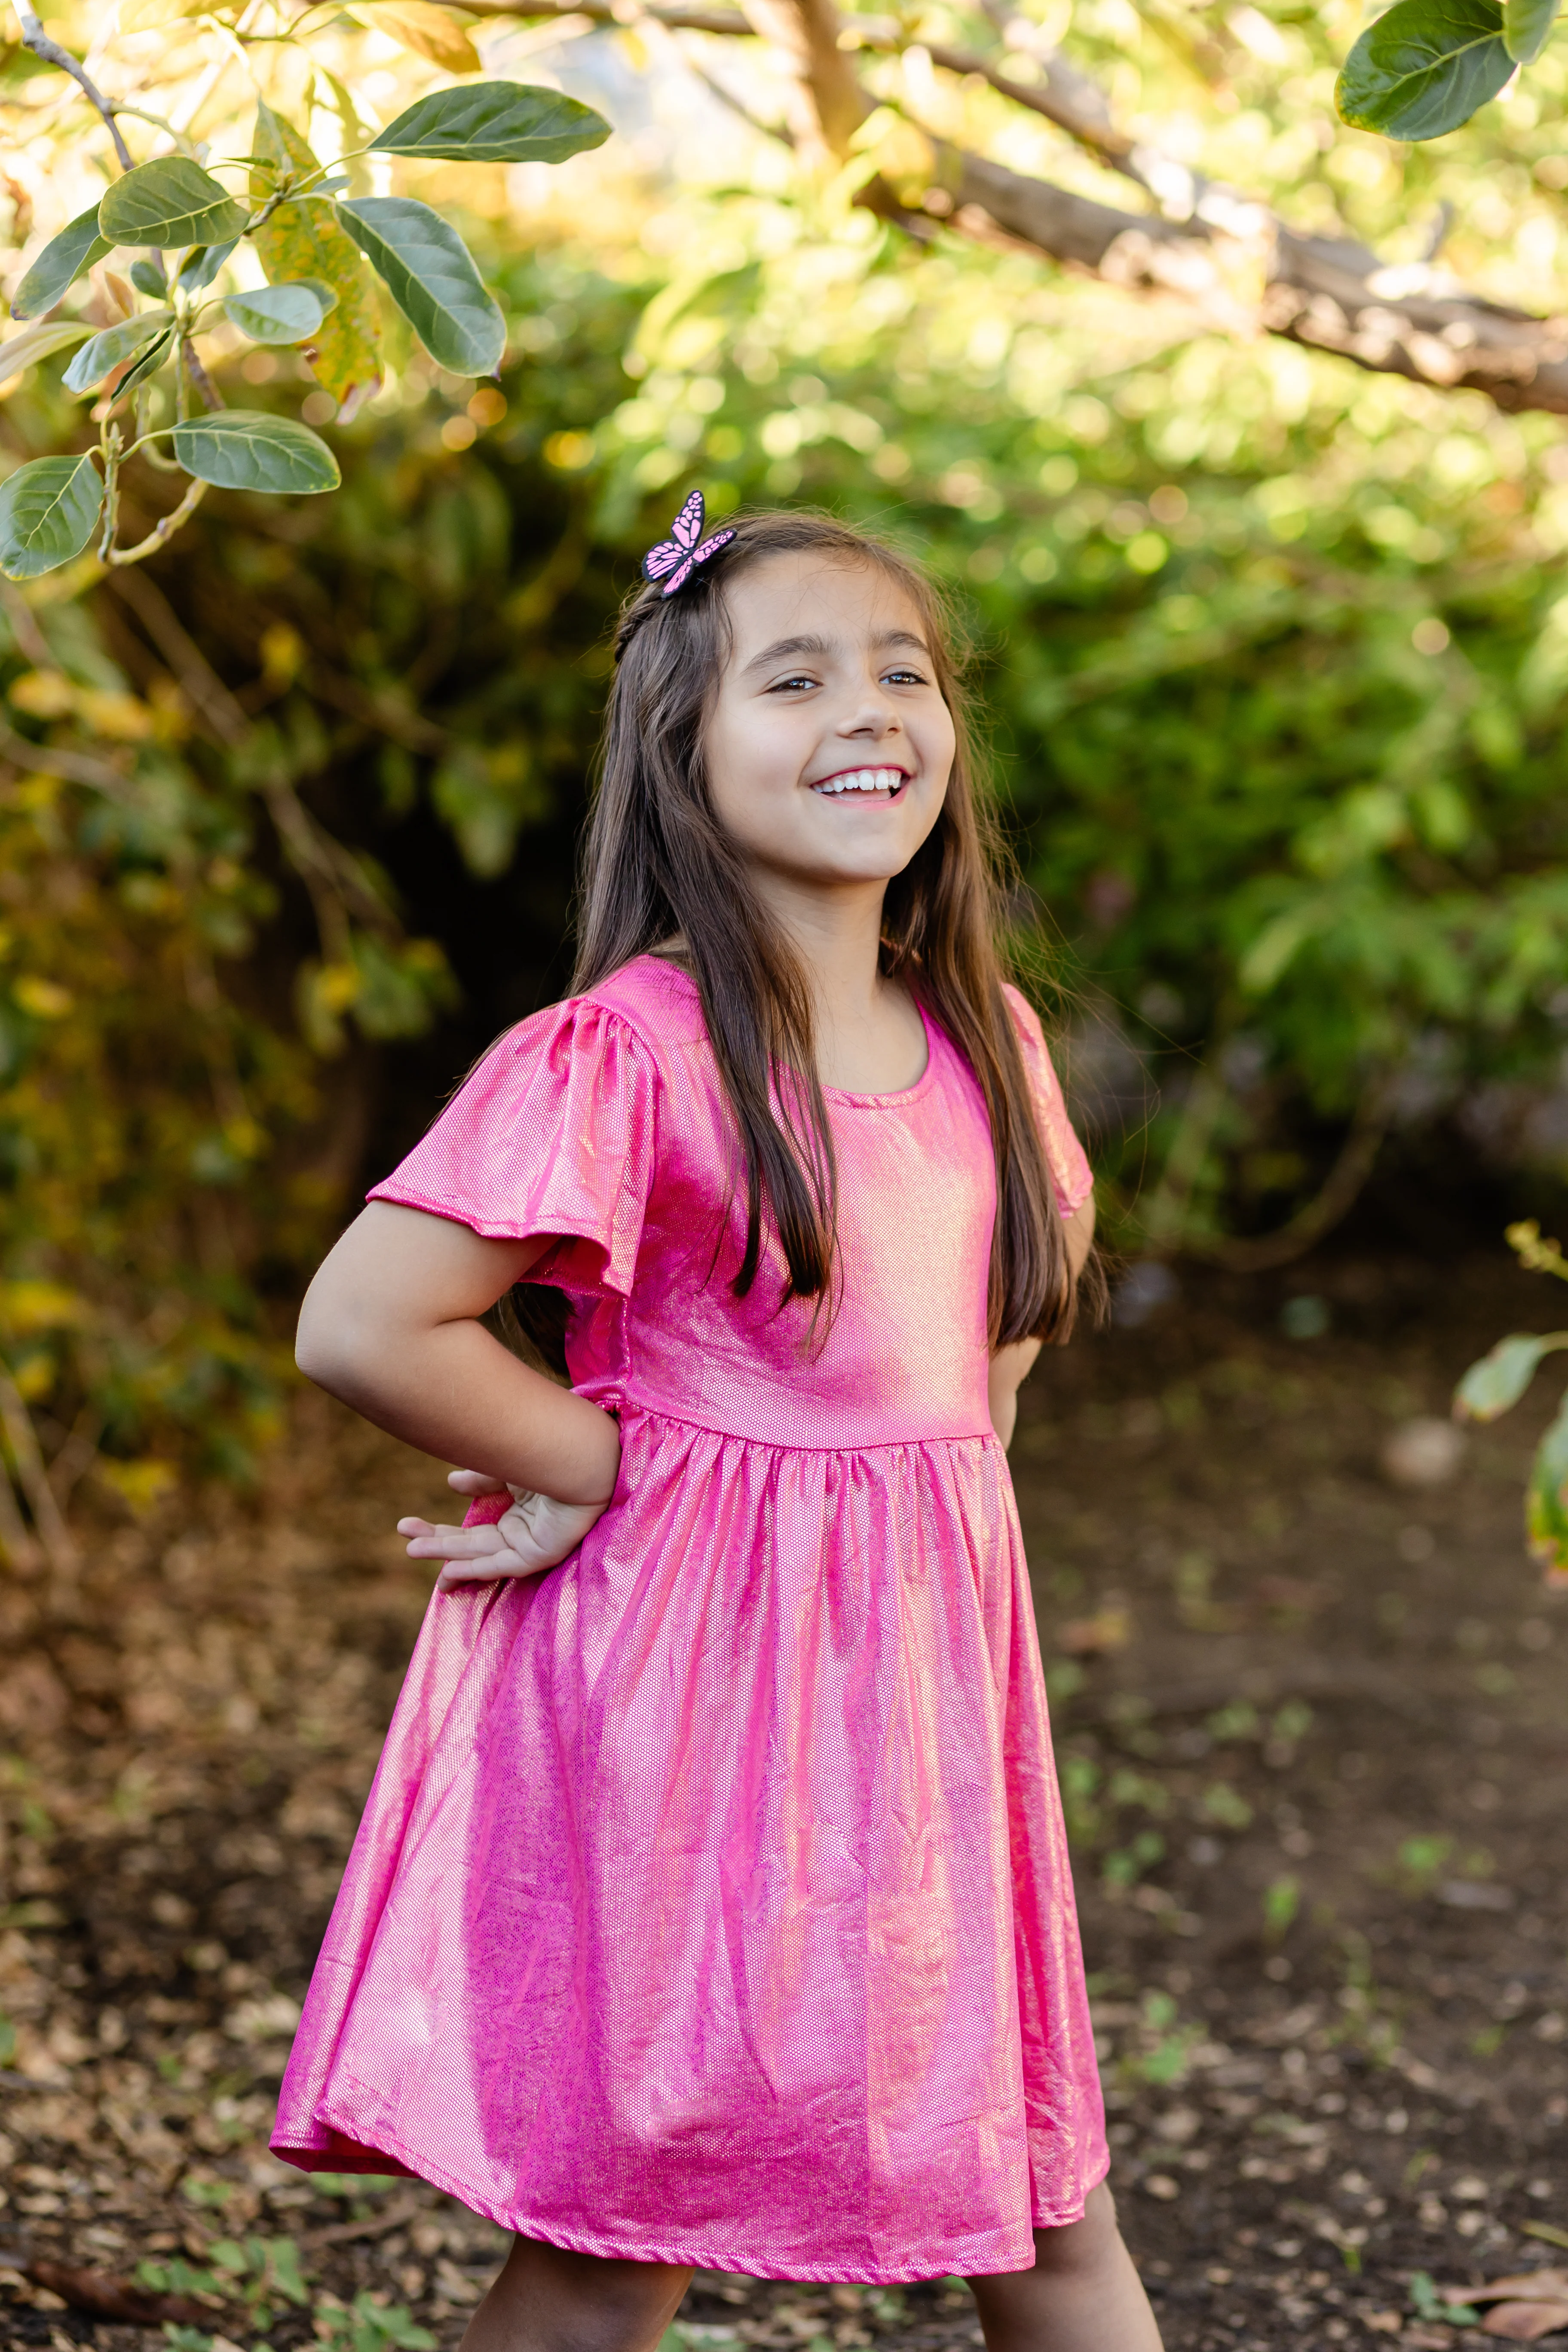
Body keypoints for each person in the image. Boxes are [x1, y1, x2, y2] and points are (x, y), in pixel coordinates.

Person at [274, 501, 1164, 2352]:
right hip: (696, 1723)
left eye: (904, 671)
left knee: (1040, 2197)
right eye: (798, 675)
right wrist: (610, 1470)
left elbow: (983, 1370)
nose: (872, 709)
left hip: (925, 1721)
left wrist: (889, 1497)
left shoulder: (985, 1044)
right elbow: (366, 1318)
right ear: (686, 751)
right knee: (623, 2235)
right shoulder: (637, 1049)